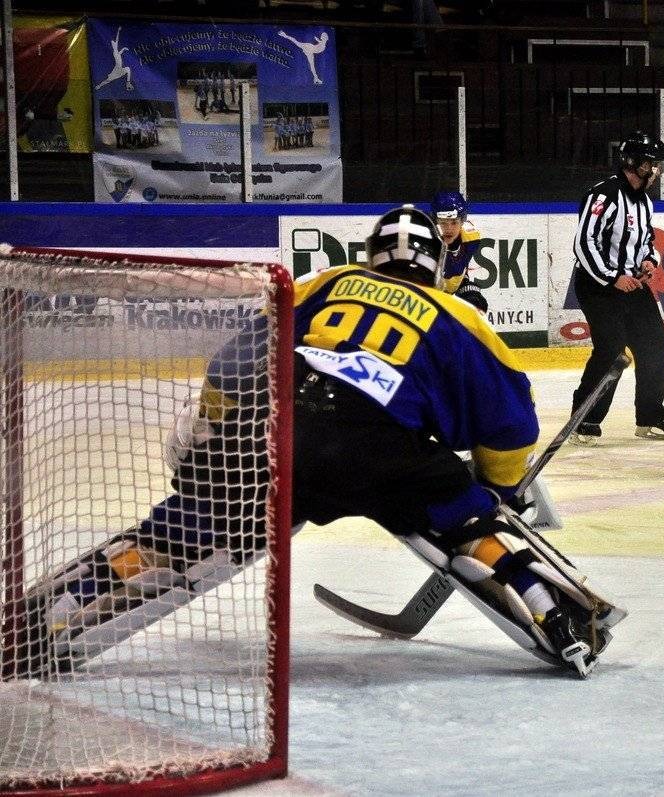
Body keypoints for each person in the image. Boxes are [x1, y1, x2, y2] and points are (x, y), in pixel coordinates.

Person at [14, 207, 615, 679]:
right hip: (381, 454)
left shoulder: (329, 282)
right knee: (465, 522)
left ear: (371, 256)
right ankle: (546, 605)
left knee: (180, 532)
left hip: (277, 436)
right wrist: (496, 492)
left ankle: (69, 600)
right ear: (435, 264)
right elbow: (511, 425)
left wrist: (211, 443)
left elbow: (231, 367)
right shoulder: (460, 315)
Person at [568, 130, 664, 445]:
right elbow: (584, 243)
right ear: (634, 163)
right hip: (598, 286)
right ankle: (584, 418)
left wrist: (648, 261)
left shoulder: (644, 202)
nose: (656, 170)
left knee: (655, 344)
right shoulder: (603, 195)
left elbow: (646, 241)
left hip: (633, 285)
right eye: (651, 164)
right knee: (611, 350)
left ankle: (651, 415)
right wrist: (611, 277)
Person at [430, 190, 488, 312]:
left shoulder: (472, 238)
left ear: (462, 221)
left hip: (448, 290)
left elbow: (458, 267)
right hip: (424, 295)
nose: (449, 228)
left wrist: (465, 284)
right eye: (443, 222)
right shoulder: (426, 241)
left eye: (454, 222)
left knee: (476, 303)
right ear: (435, 221)